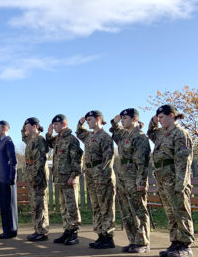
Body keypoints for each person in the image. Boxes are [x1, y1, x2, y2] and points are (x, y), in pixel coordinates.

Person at [147, 104, 194, 257]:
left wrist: (181, 184)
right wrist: (153, 121)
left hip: (175, 178)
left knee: (181, 212)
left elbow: (183, 161)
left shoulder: (180, 133)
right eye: (158, 118)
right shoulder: (161, 133)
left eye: (161, 117)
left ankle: (186, 245)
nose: (159, 121)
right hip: (163, 178)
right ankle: (175, 242)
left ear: (171, 116)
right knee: (170, 212)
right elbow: (150, 133)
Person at [110, 108, 151, 253]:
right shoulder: (123, 135)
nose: (122, 120)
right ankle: (133, 240)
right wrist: (114, 122)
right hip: (123, 177)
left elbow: (143, 162)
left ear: (134, 119)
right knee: (127, 211)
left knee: (138, 210)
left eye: (125, 118)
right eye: (121, 118)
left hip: (134, 178)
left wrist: (141, 181)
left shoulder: (139, 136)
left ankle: (143, 242)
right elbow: (114, 132)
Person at [76, 110, 116, 249]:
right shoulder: (88, 136)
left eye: (90, 120)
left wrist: (102, 174)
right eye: (87, 120)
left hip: (101, 174)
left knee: (106, 206)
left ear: (98, 119)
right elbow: (79, 133)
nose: (88, 122)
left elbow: (108, 158)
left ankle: (108, 237)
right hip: (91, 174)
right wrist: (80, 123)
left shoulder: (105, 137)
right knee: (96, 206)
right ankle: (100, 234)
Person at [45, 114, 83, 245]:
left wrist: (74, 176)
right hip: (60, 178)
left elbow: (76, 159)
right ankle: (67, 231)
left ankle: (74, 233)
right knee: (63, 206)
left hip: (69, 179)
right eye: (53, 124)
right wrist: (49, 133)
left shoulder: (71, 139)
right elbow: (50, 143)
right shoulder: (58, 139)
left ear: (64, 124)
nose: (54, 126)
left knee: (72, 206)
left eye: (57, 124)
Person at [23, 117, 50, 242]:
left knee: (40, 204)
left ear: (34, 126)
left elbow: (39, 162)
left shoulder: (39, 140)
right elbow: (23, 135)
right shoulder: (31, 140)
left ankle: (42, 231)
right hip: (32, 176)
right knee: (35, 204)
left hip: (38, 177)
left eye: (27, 126)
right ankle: (38, 229)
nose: (24, 128)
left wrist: (34, 177)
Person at [0, 120, 18, 239]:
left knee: (9, 206)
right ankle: (6, 230)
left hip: (7, 179)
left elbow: (13, 161)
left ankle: (11, 230)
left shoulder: (8, 141)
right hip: (2, 178)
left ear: (5, 129)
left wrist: (12, 177)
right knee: (4, 206)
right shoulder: (2, 141)